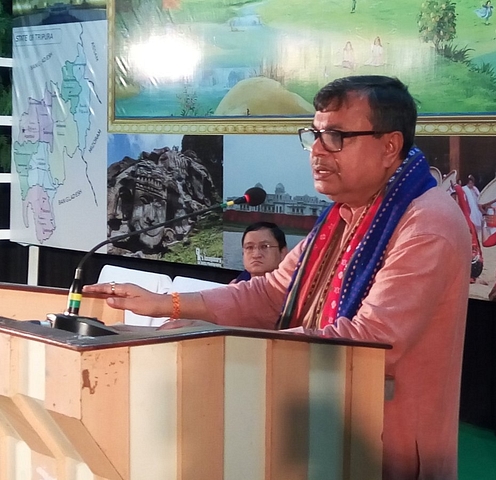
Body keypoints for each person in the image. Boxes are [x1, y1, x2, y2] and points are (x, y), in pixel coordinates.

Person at [85, 75, 472, 480]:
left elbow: (371, 341)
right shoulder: (342, 216)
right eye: (314, 134)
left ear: (390, 146)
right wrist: (167, 303)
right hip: (323, 426)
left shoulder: (425, 224)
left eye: (337, 136)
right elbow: (272, 293)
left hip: (384, 443)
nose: (318, 152)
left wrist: (219, 346)